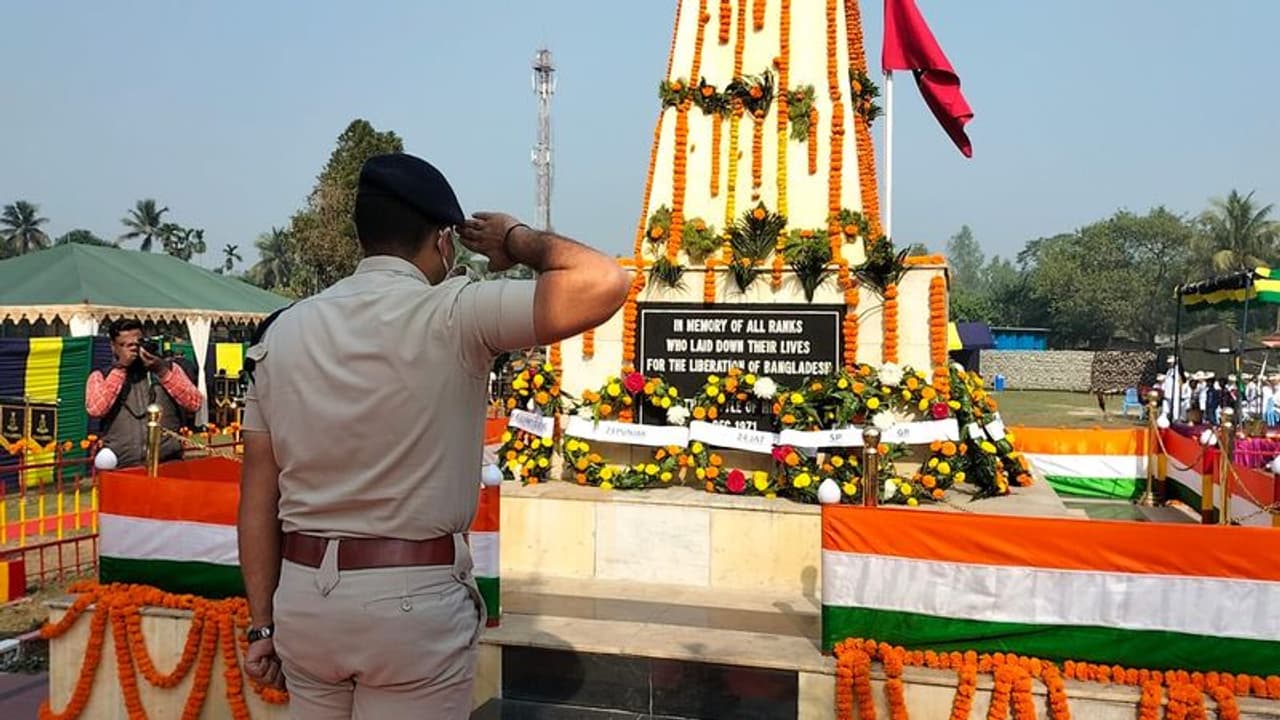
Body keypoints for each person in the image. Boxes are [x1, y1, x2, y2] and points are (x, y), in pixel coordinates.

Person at [237, 152, 628, 718]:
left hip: (303, 605)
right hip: (410, 602)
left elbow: (256, 499)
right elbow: (605, 281)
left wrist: (260, 625)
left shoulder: (285, 330)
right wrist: (516, 239)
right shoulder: (456, 313)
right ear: (445, 241)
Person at [85, 319, 205, 468]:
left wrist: (161, 371)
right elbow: (96, 409)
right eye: (124, 345)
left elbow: (195, 403)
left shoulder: (169, 369)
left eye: (137, 343)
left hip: (167, 461)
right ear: (113, 347)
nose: (132, 349)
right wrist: (120, 369)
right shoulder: (101, 376)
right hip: (123, 465)